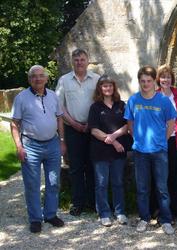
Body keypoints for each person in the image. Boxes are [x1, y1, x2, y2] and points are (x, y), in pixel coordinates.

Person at [10, 65, 66, 233]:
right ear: (29, 79)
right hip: (30, 145)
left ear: (46, 79)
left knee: (54, 182)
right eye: (34, 76)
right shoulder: (21, 98)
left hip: (52, 144)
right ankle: (35, 219)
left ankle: (50, 214)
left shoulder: (54, 97)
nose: (38, 79)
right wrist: (18, 146)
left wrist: (62, 141)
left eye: (41, 75)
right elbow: (14, 123)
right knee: (32, 184)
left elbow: (60, 119)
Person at [124, 65, 177, 234]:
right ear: (139, 82)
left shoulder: (163, 101)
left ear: (154, 81)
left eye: (148, 81)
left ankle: (166, 219)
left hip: (159, 151)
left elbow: (170, 123)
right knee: (142, 188)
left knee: (162, 188)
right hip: (140, 151)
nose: (145, 84)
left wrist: (164, 140)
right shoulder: (133, 100)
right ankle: (144, 218)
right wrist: (137, 138)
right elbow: (130, 123)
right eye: (142, 81)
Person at [56, 49, 100, 216]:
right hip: (72, 129)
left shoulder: (96, 80)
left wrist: (91, 123)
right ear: (72, 62)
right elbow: (59, 106)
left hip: (92, 129)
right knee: (75, 167)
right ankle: (77, 203)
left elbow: (100, 103)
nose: (79, 62)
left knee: (91, 166)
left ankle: (92, 202)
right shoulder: (64, 80)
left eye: (82, 59)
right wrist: (73, 123)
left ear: (88, 61)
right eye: (76, 60)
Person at [88, 75, 129, 227]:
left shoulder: (121, 105)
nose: (108, 88)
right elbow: (93, 130)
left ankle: (120, 212)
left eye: (110, 85)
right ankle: (104, 213)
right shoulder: (95, 107)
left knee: (118, 182)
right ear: (100, 88)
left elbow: (127, 126)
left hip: (119, 151)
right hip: (100, 152)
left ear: (114, 87)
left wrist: (114, 136)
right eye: (104, 86)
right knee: (102, 183)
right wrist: (113, 141)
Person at [156, 64, 177, 221]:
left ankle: (173, 212)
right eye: (162, 76)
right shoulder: (153, 95)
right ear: (158, 79)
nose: (165, 79)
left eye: (168, 76)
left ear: (171, 79)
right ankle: (160, 210)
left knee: (173, 176)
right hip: (159, 142)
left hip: (175, 140)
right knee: (160, 177)